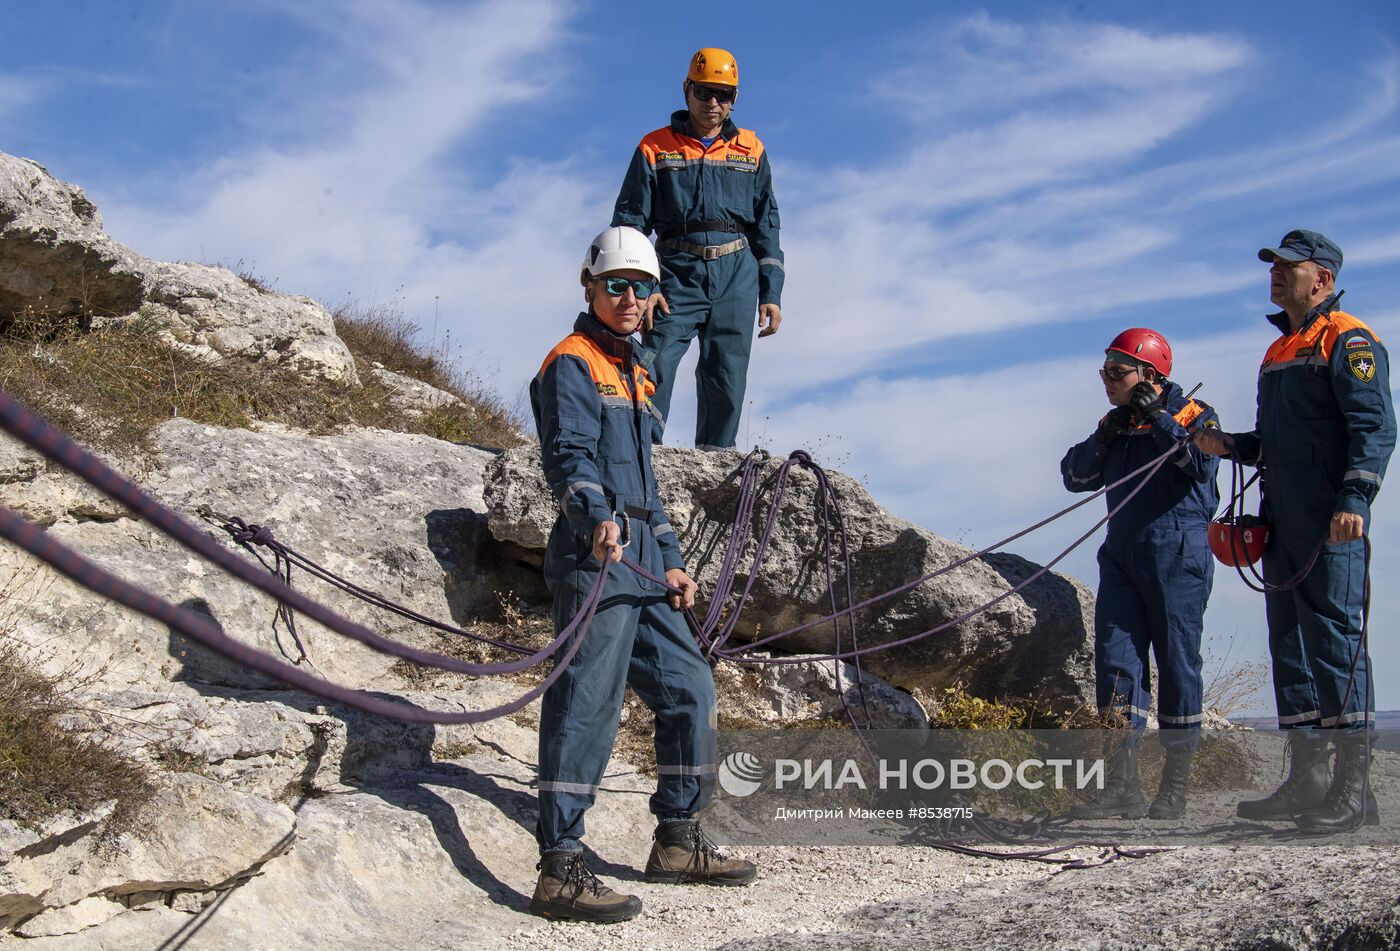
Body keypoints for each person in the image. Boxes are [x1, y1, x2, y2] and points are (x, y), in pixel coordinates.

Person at [528, 226, 757, 924]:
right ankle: (561, 866)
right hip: (594, 552)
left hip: (645, 561)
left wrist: (676, 561)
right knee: (587, 704)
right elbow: (568, 455)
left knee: (691, 688)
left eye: (643, 286)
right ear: (588, 284)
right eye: (617, 284)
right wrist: (594, 514)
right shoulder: (570, 361)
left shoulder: (637, 371)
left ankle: (678, 840)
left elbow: (649, 489)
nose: (630, 297)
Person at [1195, 230, 1395, 832]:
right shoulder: (1278, 349)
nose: (1276, 275)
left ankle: (1355, 793)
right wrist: (1228, 445)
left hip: (1330, 517)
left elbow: (1374, 428)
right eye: (1273, 267)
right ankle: (1307, 783)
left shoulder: (1350, 340)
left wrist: (1355, 496)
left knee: (1335, 646)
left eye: (1289, 267)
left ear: (1323, 279)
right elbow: (1276, 443)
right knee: (1292, 650)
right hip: (1280, 515)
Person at [1061, 329, 1220, 820]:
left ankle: (1174, 787)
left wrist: (1159, 417)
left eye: (1116, 371)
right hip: (1123, 557)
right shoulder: (1115, 421)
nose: (1106, 380)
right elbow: (1074, 478)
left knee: (1176, 664)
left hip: (1177, 552)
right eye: (1103, 370)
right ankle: (1121, 787)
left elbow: (1198, 463)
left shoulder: (1194, 414)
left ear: (1149, 375)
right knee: (1116, 665)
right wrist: (1105, 435)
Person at [611, 46, 784, 451]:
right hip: (674, 273)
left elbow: (767, 226)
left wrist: (771, 292)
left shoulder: (752, 150)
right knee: (655, 363)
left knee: (726, 376)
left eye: (723, 95)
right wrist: (642, 286)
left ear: (734, 99)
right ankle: (639, 458)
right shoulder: (655, 147)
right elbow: (631, 224)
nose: (713, 103)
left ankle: (716, 461)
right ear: (686, 89)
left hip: (737, 275)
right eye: (704, 92)